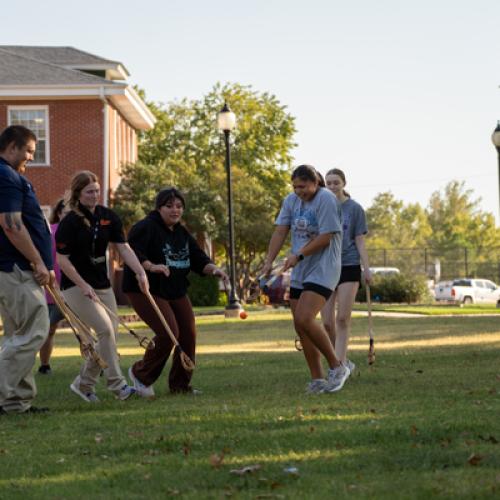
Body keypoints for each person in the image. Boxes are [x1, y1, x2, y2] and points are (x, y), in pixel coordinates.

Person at [123, 188, 228, 397]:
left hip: (175, 289)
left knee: (188, 334)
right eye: (169, 206)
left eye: (179, 206)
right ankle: (140, 374)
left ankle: (180, 385)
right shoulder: (146, 227)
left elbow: (199, 259)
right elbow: (132, 252)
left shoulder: (181, 233)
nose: (175, 210)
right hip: (145, 289)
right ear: (159, 208)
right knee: (168, 332)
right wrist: (151, 266)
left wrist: (214, 269)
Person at [55, 170, 149, 403]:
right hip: (75, 287)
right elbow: (62, 260)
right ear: (78, 194)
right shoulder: (70, 222)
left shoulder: (108, 216)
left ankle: (84, 384)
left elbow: (123, 248)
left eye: (97, 191)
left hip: (102, 285)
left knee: (110, 336)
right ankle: (119, 387)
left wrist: (140, 271)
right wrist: (82, 284)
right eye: (89, 192)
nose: (94, 195)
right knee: (105, 331)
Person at [262, 164, 349, 394]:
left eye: (303, 186)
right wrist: (269, 261)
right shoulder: (291, 201)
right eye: (295, 186)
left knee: (305, 317)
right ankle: (317, 379)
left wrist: (298, 254)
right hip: (301, 268)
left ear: (315, 183)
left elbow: (327, 236)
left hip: (324, 267)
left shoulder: (326, 200)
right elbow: (280, 231)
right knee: (300, 326)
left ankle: (338, 367)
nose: (299, 191)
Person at [0, 125, 54, 414]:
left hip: (14, 269)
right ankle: (6, 394)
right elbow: (11, 224)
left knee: (17, 335)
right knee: (35, 331)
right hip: (17, 270)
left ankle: (14, 403)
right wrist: (38, 262)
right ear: (11, 147)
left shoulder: (9, 176)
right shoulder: (6, 175)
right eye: (29, 151)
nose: (31, 158)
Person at [321, 168, 372, 375]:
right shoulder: (322, 207)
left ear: (344, 183)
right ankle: (337, 359)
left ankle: (339, 365)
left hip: (349, 265)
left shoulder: (355, 209)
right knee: (326, 322)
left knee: (342, 318)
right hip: (326, 266)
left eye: (336, 182)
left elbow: (359, 240)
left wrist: (366, 268)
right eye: (329, 183)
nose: (332, 186)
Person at [38, 199, 66, 375]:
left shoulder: (80, 231)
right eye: (66, 212)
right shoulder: (51, 232)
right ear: (59, 213)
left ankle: (93, 364)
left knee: (84, 327)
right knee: (49, 329)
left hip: (77, 289)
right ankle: (44, 365)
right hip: (53, 289)